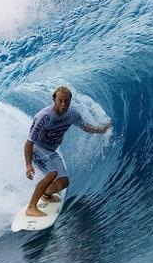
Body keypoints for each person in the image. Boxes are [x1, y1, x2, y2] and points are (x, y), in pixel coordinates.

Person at [24, 86, 112, 217]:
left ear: (70, 101)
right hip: (37, 149)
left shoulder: (72, 114)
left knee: (63, 182)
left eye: (66, 101)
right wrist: (28, 165)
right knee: (51, 173)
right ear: (54, 99)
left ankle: (45, 193)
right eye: (60, 100)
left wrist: (101, 130)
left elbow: (85, 126)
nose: (63, 104)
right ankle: (31, 207)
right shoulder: (44, 117)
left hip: (50, 151)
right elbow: (29, 143)